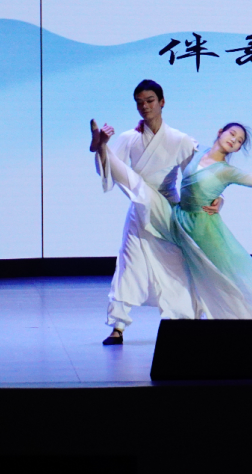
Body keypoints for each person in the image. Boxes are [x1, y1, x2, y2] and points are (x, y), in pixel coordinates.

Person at [100, 121, 252, 342]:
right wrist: (145, 125)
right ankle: (102, 148)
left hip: (203, 231)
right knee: (143, 194)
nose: (234, 140)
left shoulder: (226, 171)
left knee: (225, 285)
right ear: (220, 132)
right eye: (232, 134)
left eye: (239, 141)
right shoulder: (196, 151)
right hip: (179, 220)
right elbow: (169, 139)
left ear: (238, 149)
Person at [90, 79, 220, 346]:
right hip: (139, 210)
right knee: (128, 266)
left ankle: (183, 319)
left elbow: (196, 175)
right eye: (139, 102)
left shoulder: (180, 140)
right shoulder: (129, 138)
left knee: (175, 268)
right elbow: (110, 170)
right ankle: (117, 326)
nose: (145, 106)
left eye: (150, 101)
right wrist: (102, 147)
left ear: (162, 102)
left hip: (167, 210)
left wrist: (216, 197)